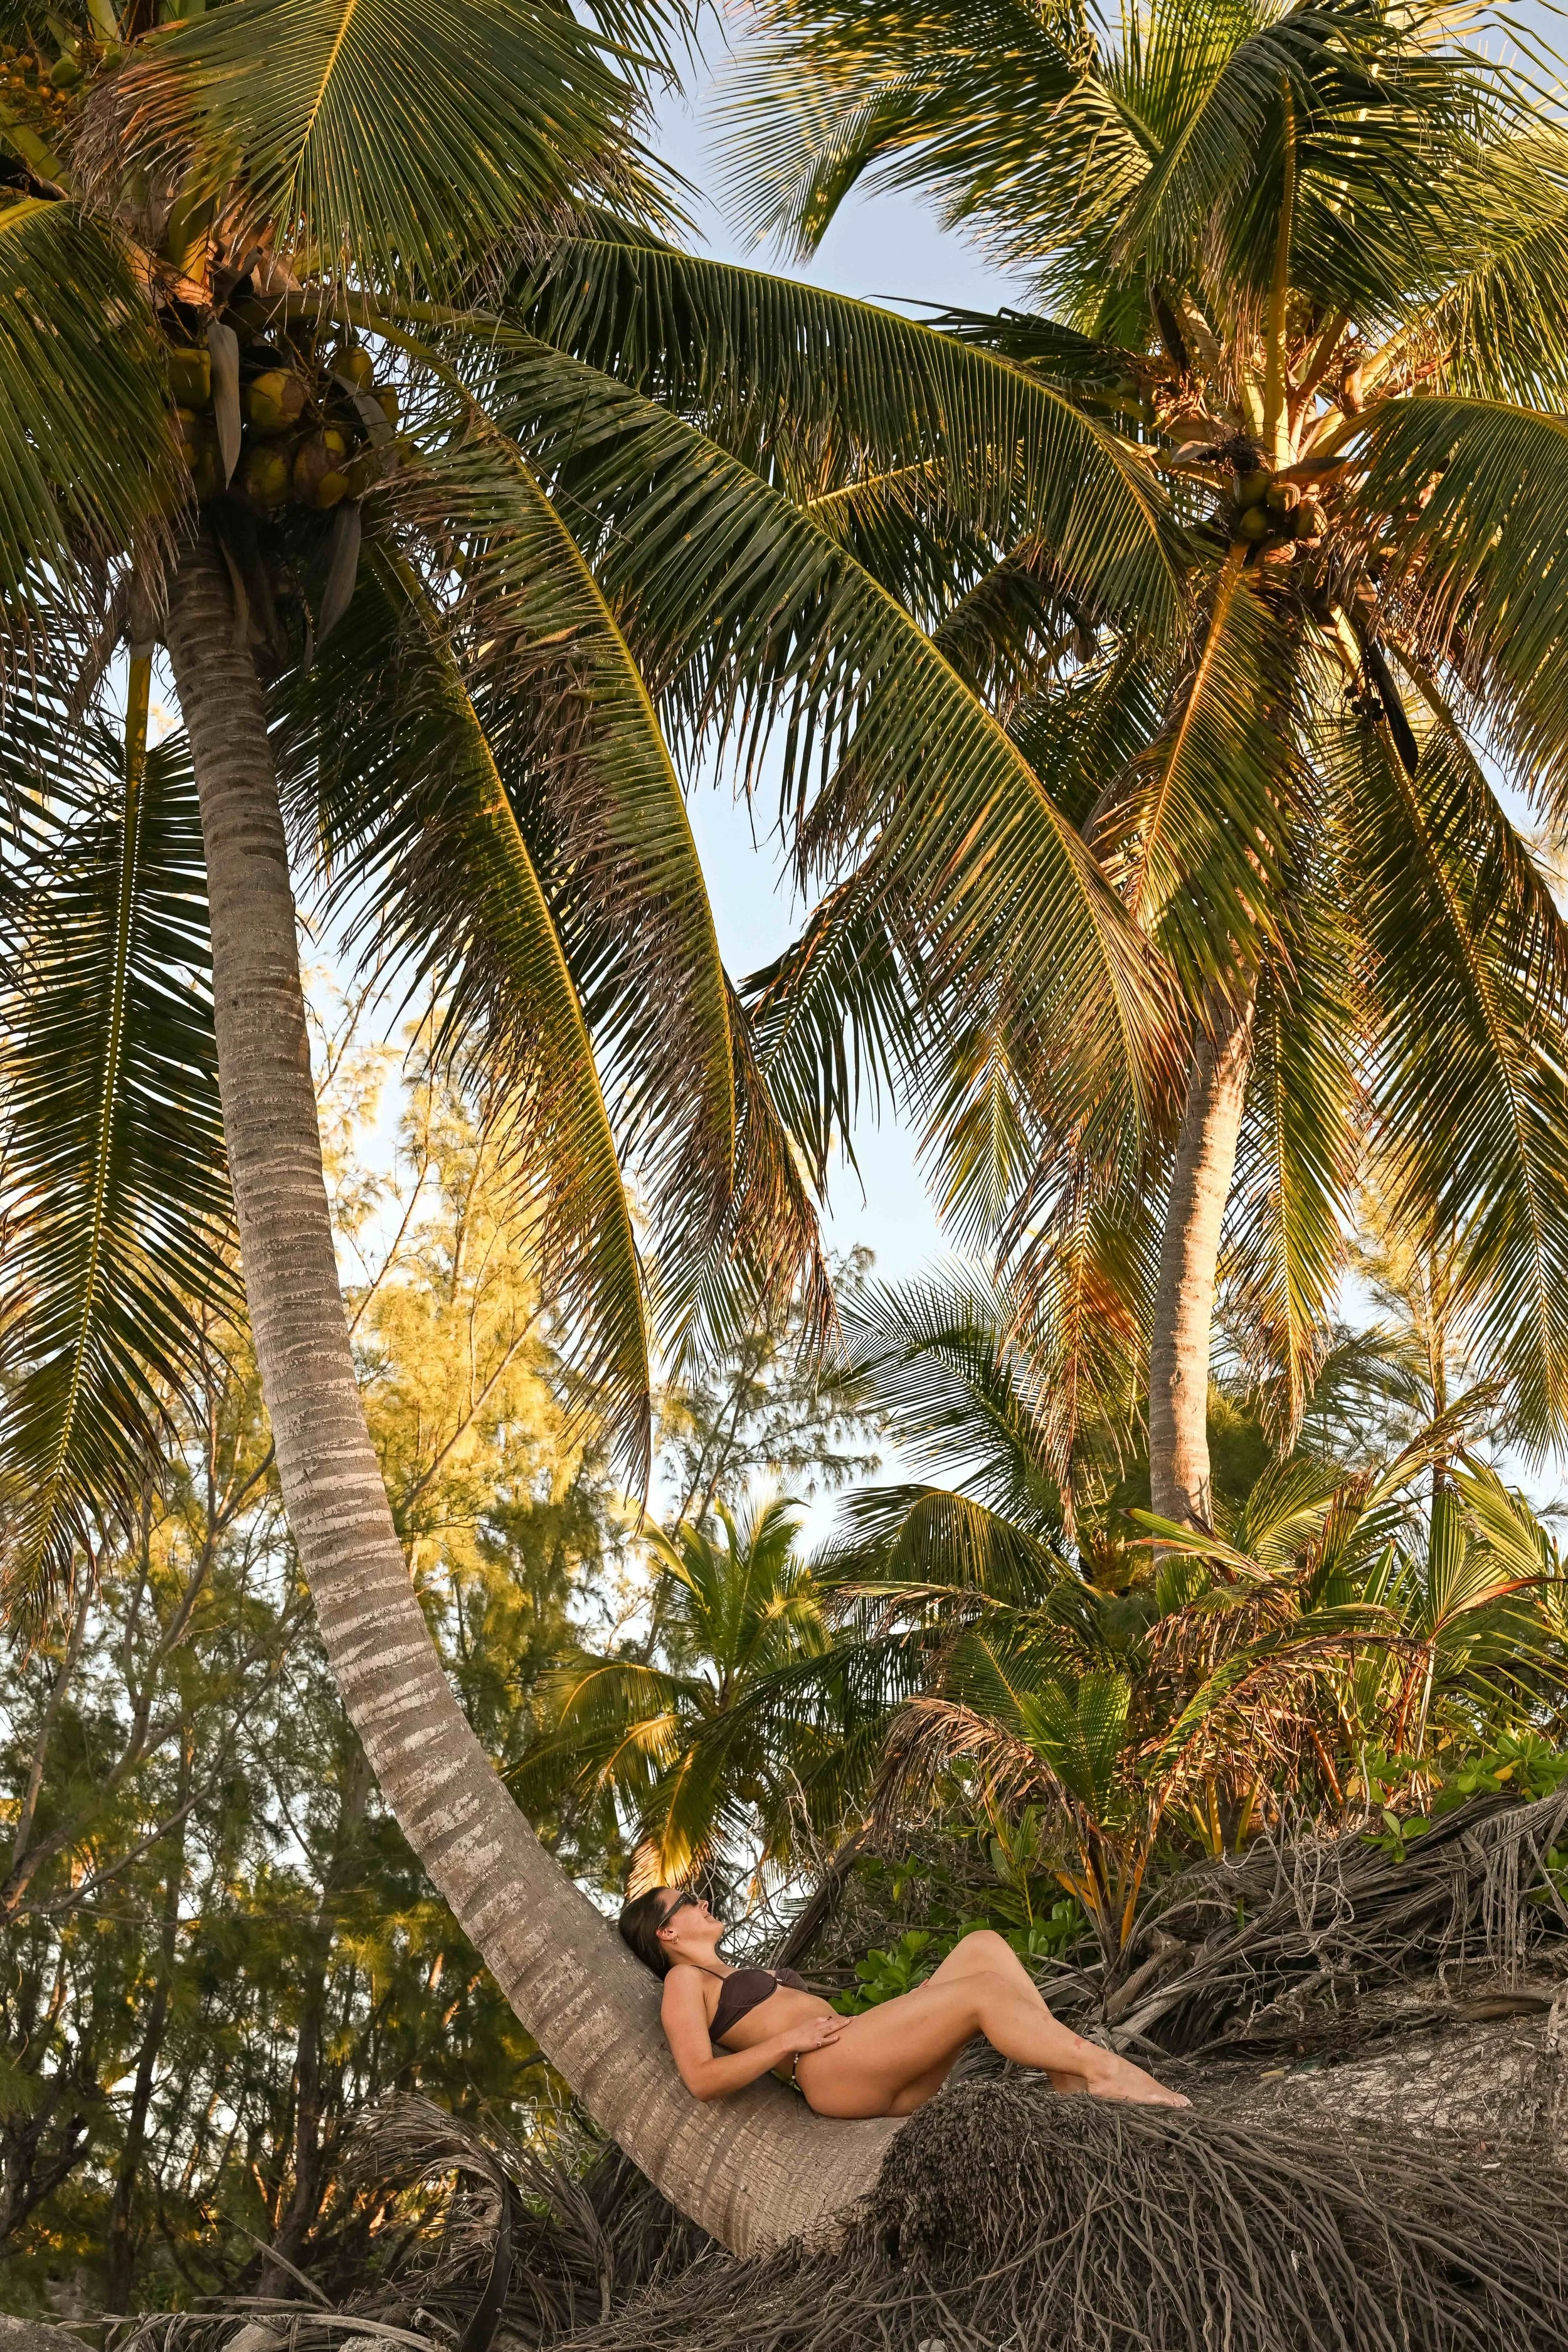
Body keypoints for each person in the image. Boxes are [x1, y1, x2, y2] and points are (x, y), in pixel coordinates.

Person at [618, 1885, 1190, 2117]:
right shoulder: (683, 1984)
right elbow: (700, 2079)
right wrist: (787, 2041)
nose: (703, 1902)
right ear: (667, 1933)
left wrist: (901, 2010)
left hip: (858, 2050)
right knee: (984, 1993)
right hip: (827, 2070)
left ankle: (1068, 2084)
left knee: (982, 1947)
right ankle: (1102, 2069)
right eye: (689, 1901)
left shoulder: (733, 1969)